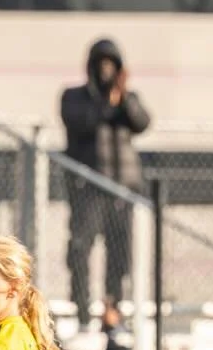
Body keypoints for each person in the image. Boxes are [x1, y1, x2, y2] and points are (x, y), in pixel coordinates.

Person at [60, 38, 151, 327]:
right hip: (88, 190)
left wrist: (123, 98)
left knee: (120, 254)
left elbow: (142, 122)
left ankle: (113, 308)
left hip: (122, 191)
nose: (106, 70)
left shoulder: (127, 98)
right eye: (101, 64)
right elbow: (80, 123)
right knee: (80, 249)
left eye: (111, 65)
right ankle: (82, 308)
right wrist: (105, 102)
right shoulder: (74, 97)